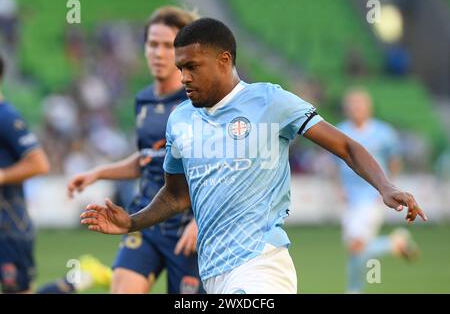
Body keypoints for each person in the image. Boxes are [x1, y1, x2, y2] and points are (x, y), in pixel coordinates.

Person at [80, 18, 428, 294]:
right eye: (180, 67)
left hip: (261, 264)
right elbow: (176, 195)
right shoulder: (180, 120)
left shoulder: (271, 102)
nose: (183, 77)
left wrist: (384, 185)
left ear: (224, 60)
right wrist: (132, 221)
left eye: (192, 67)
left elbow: (347, 146)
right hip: (212, 272)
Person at [67, 6, 204, 294]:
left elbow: (219, 165)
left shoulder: (199, 100)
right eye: (152, 44)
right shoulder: (143, 99)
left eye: (168, 45)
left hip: (188, 228)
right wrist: (98, 173)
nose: (158, 52)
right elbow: (147, 158)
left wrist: (200, 221)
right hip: (147, 219)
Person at [335, 88, 419, 293]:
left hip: (372, 196)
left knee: (357, 245)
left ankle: (354, 289)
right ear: (346, 107)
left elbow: (394, 161)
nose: (356, 108)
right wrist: (338, 188)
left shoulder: (384, 132)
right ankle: (395, 244)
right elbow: (335, 164)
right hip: (349, 198)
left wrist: (387, 188)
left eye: (360, 103)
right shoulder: (339, 130)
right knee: (355, 248)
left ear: (368, 106)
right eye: (352, 104)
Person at [0, 54, 50, 293]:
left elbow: (39, 163)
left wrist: (1, 176)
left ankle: (77, 281)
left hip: (10, 229)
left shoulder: (6, 117)